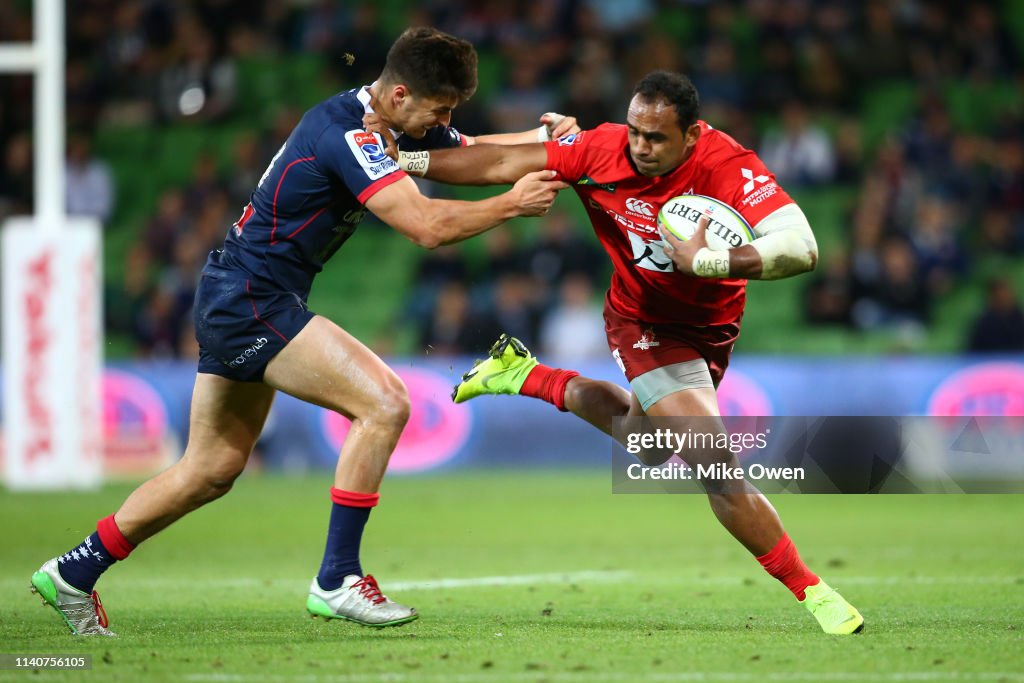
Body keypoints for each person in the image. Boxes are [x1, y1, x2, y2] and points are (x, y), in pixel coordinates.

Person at [30, 27, 571, 636]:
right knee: (386, 403)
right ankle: (338, 578)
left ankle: (73, 571)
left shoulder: (390, 123)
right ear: (398, 94)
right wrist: (510, 206)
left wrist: (548, 141)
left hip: (239, 291)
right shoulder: (348, 134)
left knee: (211, 468)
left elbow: (481, 154)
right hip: (253, 298)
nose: (443, 122)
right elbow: (424, 225)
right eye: (438, 110)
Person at [391, 70, 864, 635]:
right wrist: (400, 164)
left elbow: (802, 246)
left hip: (712, 328)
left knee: (649, 450)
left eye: (657, 137)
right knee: (714, 463)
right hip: (641, 322)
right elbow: (496, 164)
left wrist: (708, 262)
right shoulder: (601, 148)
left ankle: (528, 375)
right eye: (636, 131)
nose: (641, 146)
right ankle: (813, 591)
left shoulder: (726, 164)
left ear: (691, 134)